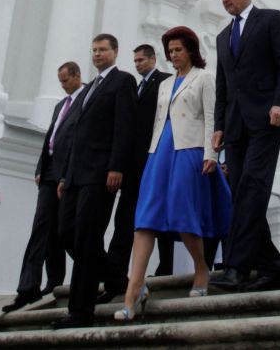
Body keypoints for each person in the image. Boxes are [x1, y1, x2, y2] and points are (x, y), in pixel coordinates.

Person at [115, 26, 231, 321]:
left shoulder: (204, 78)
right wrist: (149, 154)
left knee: (183, 211)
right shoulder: (165, 84)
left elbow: (211, 118)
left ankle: (201, 269)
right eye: (170, 51)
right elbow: (158, 120)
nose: (173, 55)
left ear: (191, 50)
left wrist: (211, 154)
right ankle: (134, 289)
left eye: (178, 50)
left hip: (189, 149)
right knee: (145, 217)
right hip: (160, 151)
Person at [209, 0, 280, 294]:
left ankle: (236, 267)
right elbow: (222, 87)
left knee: (253, 188)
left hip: (266, 120)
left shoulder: (270, 20)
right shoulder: (223, 37)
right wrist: (219, 126)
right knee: (240, 193)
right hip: (234, 127)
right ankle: (271, 268)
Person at [53, 34, 136, 329]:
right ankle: (122, 282)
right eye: (94, 50)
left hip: (101, 173)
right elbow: (75, 132)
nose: (97, 54)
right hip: (75, 175)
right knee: (66, 233)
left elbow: (125, 127)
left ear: (115, 51)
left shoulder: (123, 81)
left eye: (102, 50)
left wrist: (116, 167)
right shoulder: (88, 88)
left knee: (87, 239)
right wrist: (65, 174)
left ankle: (80, 312)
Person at [2, 62, 84, 312]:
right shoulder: (61, 105)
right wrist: (40, 168)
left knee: (66, 230)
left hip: (69, 173)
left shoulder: (87, 99)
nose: (63, 86)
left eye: (66, 81)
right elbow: (51, 138)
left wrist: (67, 175)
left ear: (77, 76)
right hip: (49, 173)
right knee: (42, 228)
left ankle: (93, 271)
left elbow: (79, 139)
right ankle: (30, 286)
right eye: (60, 82)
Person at [107, 44, 174, 280]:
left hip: (154, 157)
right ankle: (116, 271)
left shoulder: (165, 81)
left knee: (160, 212)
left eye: (141, 60)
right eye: (135, 61)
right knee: (125, 216)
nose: (137, 65)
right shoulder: (136, 86)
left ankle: (166, 266)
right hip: (133, 164)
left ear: (153, 59)